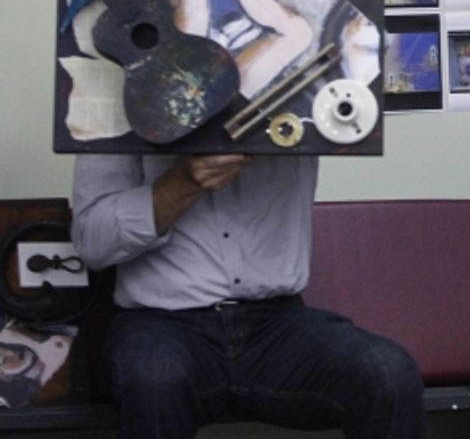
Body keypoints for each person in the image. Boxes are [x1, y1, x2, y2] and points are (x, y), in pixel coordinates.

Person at [71, 153, 427, 439]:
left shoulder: (302, 89)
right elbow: (92, 245)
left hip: (278, 325)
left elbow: (355, 101)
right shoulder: (114, 105)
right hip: (163, 322)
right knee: (154, 378)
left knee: (388, 372)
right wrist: (183, 181)